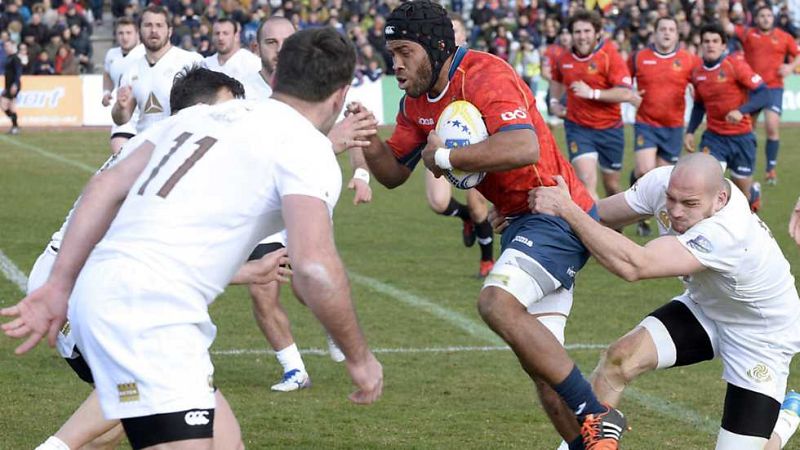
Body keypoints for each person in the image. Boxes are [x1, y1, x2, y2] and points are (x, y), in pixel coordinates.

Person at [3, 27, 383, 449]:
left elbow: (105, 186)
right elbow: (312, 267)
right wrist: (360, 359)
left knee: (225, 441)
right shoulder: (305, 149)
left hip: (108, 294)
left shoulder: (201, 116)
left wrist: (58, 285)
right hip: (149, 311)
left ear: (276, 78)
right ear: (340, 95)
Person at [361, 2, 625, 448]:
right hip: (521, 222)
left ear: (435, 45)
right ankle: (591, 443)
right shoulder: (415, 102)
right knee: (544, 373)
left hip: (554, 213)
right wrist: (367, 136)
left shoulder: (485, 74)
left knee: (496, 304)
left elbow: (522, 147)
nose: (397, 64)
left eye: (404, 51)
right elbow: (392, 174)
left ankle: (596, 413)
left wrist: (444, 158)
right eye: (391, 53)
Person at [33, 67, 268, 450]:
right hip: (86, 286)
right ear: (196, 113)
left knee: (163, 417)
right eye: (228, 112)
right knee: (148, 394)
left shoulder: (171, 150)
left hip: (92, 285)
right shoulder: (173, 160)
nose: (237, 122)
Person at [528, 152, 800, 449]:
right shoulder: (662, 183)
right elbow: (596, 215)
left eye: (690, 204)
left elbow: (636, 265)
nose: (677, 212)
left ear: (720, 199)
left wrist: (566, 209)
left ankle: (786, 418)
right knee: (620, 358)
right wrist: (525, 215)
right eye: (672, 199)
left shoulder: (728, 231)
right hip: (706, 306)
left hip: (763, 334)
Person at [240, 16, 377, 391]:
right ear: (256, 49)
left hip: (308, 192)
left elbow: (353, 128)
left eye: (287, 42)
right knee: (263, 283)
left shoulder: (314, 81)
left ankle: (331, 323)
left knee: (305, 276)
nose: (280, 50)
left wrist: (361, 174)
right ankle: (294, 369)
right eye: (271, 42)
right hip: (263, 201)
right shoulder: (240, 88)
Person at [421, 14, 494, 278]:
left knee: (479, 206)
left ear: (464, 38)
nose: (452, 36)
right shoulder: (427, 69)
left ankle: (487, 262)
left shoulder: (477, 68)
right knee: (438, 203)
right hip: (438, 145)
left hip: (472, 145)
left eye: (457, 31)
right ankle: (464, 217)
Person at [549, 10, 635, 201]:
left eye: (587, 31)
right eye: (577, 32)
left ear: (597, 33)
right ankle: (594, 230)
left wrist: (592, 93)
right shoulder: (564, 58)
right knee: (586, 181)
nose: (582, 37)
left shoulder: (609, 56)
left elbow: (625, 93)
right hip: (578, 128)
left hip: (610, 129)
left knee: (612, 186)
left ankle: (615, 227)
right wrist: (554, 102)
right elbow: (556, 81)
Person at [626, 16, 700, 236]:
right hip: (646, 123)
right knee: (644, 170)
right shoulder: (639, 57)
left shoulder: (689, 60)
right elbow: (620, 79)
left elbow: (701, 83)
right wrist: (628, 94)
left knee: (661, 179)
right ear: (655, 33)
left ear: (677, 34)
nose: (667, 33)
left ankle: (644, 218)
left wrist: (699, 91)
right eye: (662, 29)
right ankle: (637, 191)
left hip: (673, 127)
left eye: (671, 29)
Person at [684, 23, 769, 212]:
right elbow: (699, 105)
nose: (710, 45)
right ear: (701, 45)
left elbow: (764, 94)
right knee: (706, 183)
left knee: (741, 197)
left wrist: (742, 110)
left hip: (742, 138)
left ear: (723, 46)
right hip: (714, 138)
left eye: (715, 41)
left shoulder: (735, 65)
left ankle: (752, 193)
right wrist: (690, 131)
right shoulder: (698, 73)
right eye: (706, 41)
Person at [719, 1, 800, 185]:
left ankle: (770, 169)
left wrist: (790, 66)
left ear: (773, 18)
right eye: (762, 16)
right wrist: (723, 11)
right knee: (748, 129)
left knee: (772, 126)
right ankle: (745, 164)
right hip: (751, 89)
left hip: (773, 88)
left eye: (769, 16)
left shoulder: (784, 36)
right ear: (756, 18)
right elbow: (727, 27)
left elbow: (798, 54)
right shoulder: (748, 33)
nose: (766, 18)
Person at [112, 5, 203, 133]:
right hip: (146, 145)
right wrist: (120, 107)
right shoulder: (132, 70)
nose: (154, 30)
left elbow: (209, 106)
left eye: (159, 25)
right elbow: (121, 119)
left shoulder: (191, 61)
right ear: (139, 31)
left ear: (170, 31)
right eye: (148, 25)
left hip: (180, 144)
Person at [102, 17, 145, 154]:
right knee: (119, 157)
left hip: (145, 117)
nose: (124, 37)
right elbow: (107, 74)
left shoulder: (146, 53)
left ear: (137, 34)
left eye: (128, 33)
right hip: (123, 116)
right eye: (121, 33)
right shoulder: (111, 54)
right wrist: (106, 92)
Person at [2, 40, 23, 135]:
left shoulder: (15, 58)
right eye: (5, 46)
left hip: (13, 85)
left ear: (13, 46)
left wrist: (15, 84)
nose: (6, 48)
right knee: (7, 106)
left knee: (7, 105)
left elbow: (18, 72)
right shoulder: (9, 58)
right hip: (8, 86)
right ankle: (15, 126)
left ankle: (15, 126)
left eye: (8, 46)